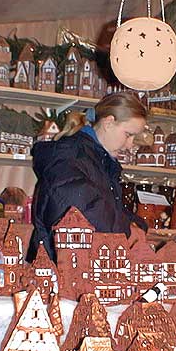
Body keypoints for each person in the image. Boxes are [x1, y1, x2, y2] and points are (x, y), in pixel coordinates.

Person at [27, 92, 148, 262]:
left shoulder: (99, 161)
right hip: (58, 269)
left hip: (74, 265)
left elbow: (111, 210)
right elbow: (82, 209)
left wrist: (137, 225)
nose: (130, 145)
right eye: (128, 135)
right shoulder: (69, 155)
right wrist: (128, 229)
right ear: (108, 122)